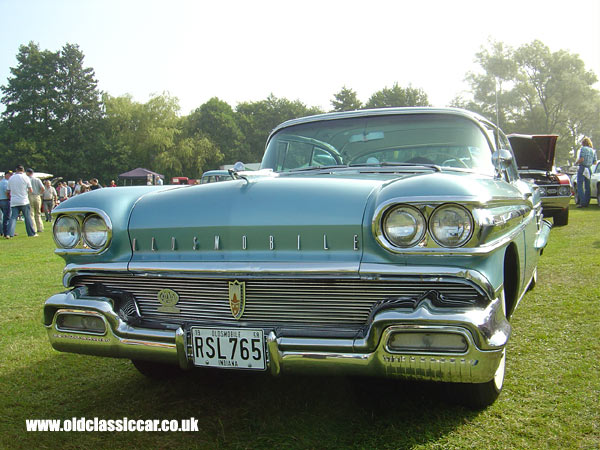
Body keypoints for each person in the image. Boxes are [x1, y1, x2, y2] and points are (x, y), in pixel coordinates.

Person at [7, 165, 37, 237]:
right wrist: (26, 193)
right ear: (23, 170)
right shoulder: (25, 177)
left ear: (16, 170)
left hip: (14, 201)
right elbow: (30, 190)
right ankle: (31, 233)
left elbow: (8, 191)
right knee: (27, 217)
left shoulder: (11, 178)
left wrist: (10, 197)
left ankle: (9, 233)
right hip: (24, 200)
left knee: (13, 217)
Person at [575, 137, 597, 208]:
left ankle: (582, 202)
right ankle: (587, 202)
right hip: (589, 168)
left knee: (580, 186)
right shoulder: (593, 151)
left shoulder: (583, 149)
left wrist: (576, 163)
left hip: (582, 167)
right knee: (588, 186)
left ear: (583, 143)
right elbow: (595, 162)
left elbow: (582, 159)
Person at [26, 168, 45, 233]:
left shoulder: (27, 179)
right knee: (38, 213)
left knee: (31, 213)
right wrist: (39, 193)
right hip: (37, 196)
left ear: (28, 173)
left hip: (30, 195)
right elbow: (43, 188)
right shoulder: (37, 179)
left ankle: (34, 228)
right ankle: (40, 227)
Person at [0, 171, 12, 238]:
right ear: (6, 175)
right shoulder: (6, 182)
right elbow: (6, 192)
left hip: (0, 200)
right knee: (7, 217)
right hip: (5, 200)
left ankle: (2, 231)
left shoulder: (0, 182)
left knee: (1, 218)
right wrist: (10, 198)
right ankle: (7, 233)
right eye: (10, 175)